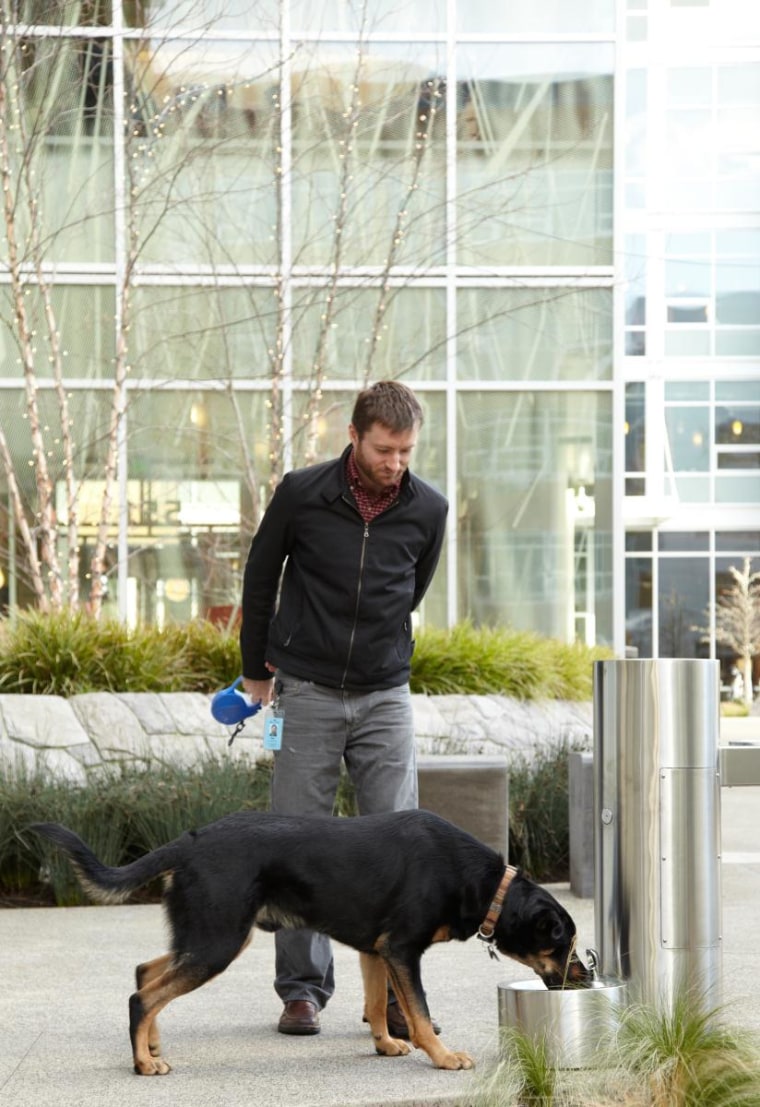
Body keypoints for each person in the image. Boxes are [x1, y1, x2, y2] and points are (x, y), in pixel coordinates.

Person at [240, 380, 448, 1037]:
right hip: (307, 688)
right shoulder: (303, 492)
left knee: (398, 845)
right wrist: (255, 669)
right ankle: (302, 989)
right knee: (299, 839)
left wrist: (380, 649)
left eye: (406, 451)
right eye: (385, 449)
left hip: (385, 691)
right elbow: (259, 574)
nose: (395, 462)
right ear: (354, 436)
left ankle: (392, 996)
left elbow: (411, 588)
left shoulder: (428, 508)